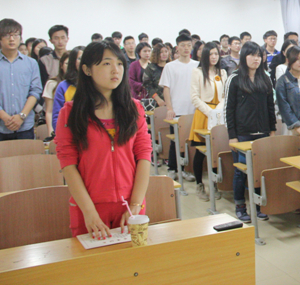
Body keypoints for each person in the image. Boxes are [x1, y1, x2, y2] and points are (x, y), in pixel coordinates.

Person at [55, 41, 151, 238]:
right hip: (89, 209)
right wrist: (89, 212)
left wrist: (135, 204)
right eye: (107, 63)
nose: (115, 70)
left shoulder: (134, 109)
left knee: (135, 257)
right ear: (87, 70)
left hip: (130, 207)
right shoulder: (70, 113)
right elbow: (68, 164)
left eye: (120, 63)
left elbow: (144, 155)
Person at [224, 41, 277, 222]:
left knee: (260, 170)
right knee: (241, 172)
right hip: (242, 134)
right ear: (243, 56)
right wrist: (232, 136)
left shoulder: (265, 78)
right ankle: (240, 206)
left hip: (263, 132)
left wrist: (272, 129)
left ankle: (258, 205)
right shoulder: (234, 79)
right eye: (252, 55)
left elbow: (270, 106)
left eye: (259, 56)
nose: (256, 59)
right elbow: (229, 109)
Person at [189, 42, 227, 201]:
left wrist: (219, 110)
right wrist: (210, 112)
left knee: (217, 151)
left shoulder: (222, 72)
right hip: (204, 114)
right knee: (201, 152)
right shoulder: (197, 72)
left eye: (216, 54)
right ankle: (199, 184)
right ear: (205, 55)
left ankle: (215, 184)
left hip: (219, 114)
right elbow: (194, 97)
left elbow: (225, 94)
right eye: (211, 54)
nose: (214, 57)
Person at [159, 34, 198, 182]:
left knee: (190, 142)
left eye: (188, 45)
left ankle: (186, 170)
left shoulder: (197, 65)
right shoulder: (170, 66)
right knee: (176, 141)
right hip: (177, 110)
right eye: (183, 45)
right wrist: (169, 108)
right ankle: (172, 169)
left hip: (194, 110)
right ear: (177, 48)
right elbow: (166, 89)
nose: (186, 48)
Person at [0, 19, 42, 141]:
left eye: (15, 35)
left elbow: (35, 91)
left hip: (25, 127)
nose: (12, 39)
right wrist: (5, 118)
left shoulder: (31, 63)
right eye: (7, 35)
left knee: (27, 154)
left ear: (20, 38)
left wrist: (21, 116)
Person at [52, 46, 85, 131]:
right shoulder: (63, 86)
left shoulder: (97, 83)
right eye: (80, 58)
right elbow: (57, 117)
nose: (84, 61)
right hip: (70, 132)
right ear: (73, 61)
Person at [43, 52, 69, 131]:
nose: (70, 67)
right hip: (59, 127)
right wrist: (51, 131)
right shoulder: (52, 83)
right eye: (67, 64)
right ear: (61, 65)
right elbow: (49, 112)